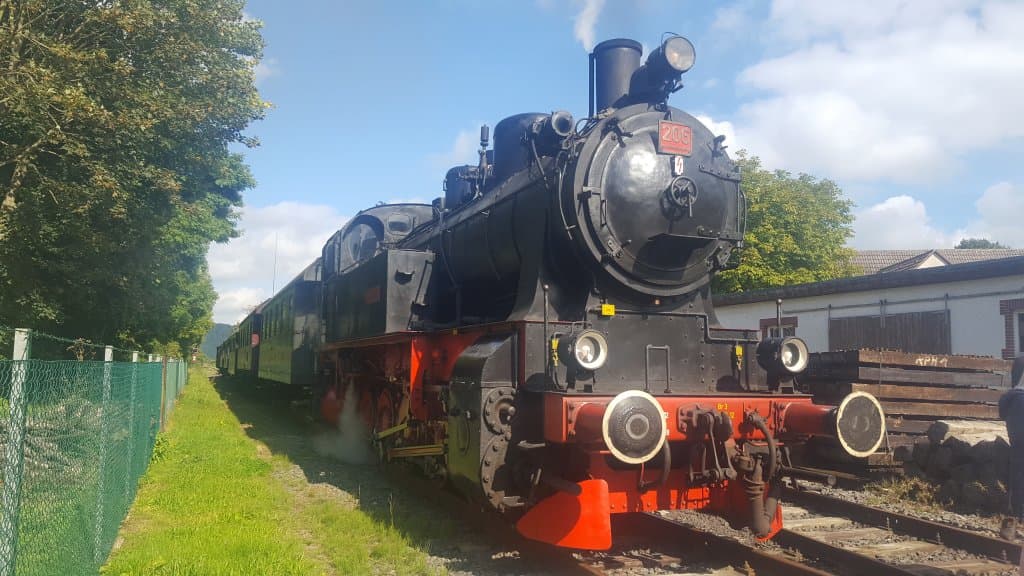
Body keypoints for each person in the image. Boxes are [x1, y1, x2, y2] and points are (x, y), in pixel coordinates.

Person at [999, 355, 1024, 546]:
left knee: (1017, 474)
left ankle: (1013, 521)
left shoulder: (1010, 398)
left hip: (1016, 438)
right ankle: (1015, 522)